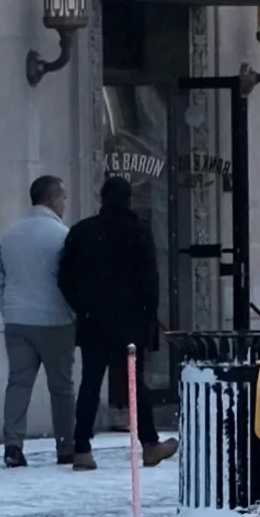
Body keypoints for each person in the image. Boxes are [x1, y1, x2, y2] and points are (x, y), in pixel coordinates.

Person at [57, 174, 177, 471]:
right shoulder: (139, 232)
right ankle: (149, 444)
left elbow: (65, 278)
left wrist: (82, 306)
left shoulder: (82, 232)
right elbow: (150, 281)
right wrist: (148, 314)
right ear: (128, 199)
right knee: (135, 384)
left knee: (90, 382)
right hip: (130, 321)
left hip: (93, 320)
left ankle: (81, 447)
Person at [0, 175, 75, 468]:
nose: (65, 203)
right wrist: (72, 313)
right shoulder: (62, 236)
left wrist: (8, 309)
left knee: (18, 384)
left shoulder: (9, 235)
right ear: (53, 199)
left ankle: (13, 445)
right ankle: (66, 446)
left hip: (17, 320)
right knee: (61, 387)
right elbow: (72, 280)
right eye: (63, 197)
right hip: (56, 320)